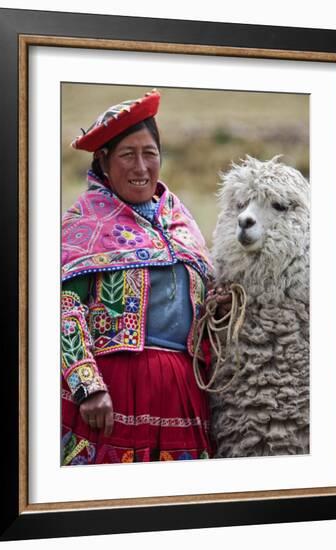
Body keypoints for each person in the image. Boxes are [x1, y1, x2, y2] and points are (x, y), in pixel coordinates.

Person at [61, 89, 216, 465]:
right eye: (128, 155)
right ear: (104, 160)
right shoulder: (85, 223)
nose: (141, 167)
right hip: (114, 392)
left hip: (182, 392)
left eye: (150, 154)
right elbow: (62, 307)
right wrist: (88, 387)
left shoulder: (179, 219)